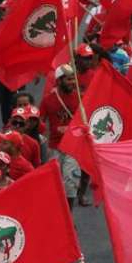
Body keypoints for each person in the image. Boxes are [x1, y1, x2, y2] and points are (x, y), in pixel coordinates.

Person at [39, 64, 80, 208]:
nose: (72, 82)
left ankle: (69, 216)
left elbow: (86, 120)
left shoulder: (80, 98)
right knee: (55, 184)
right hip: (54, 148)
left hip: (73, 148)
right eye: (68, 79)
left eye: (73, 79)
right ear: (59, 80)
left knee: (71, 184)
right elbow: (40, 121)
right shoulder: (48, 100)